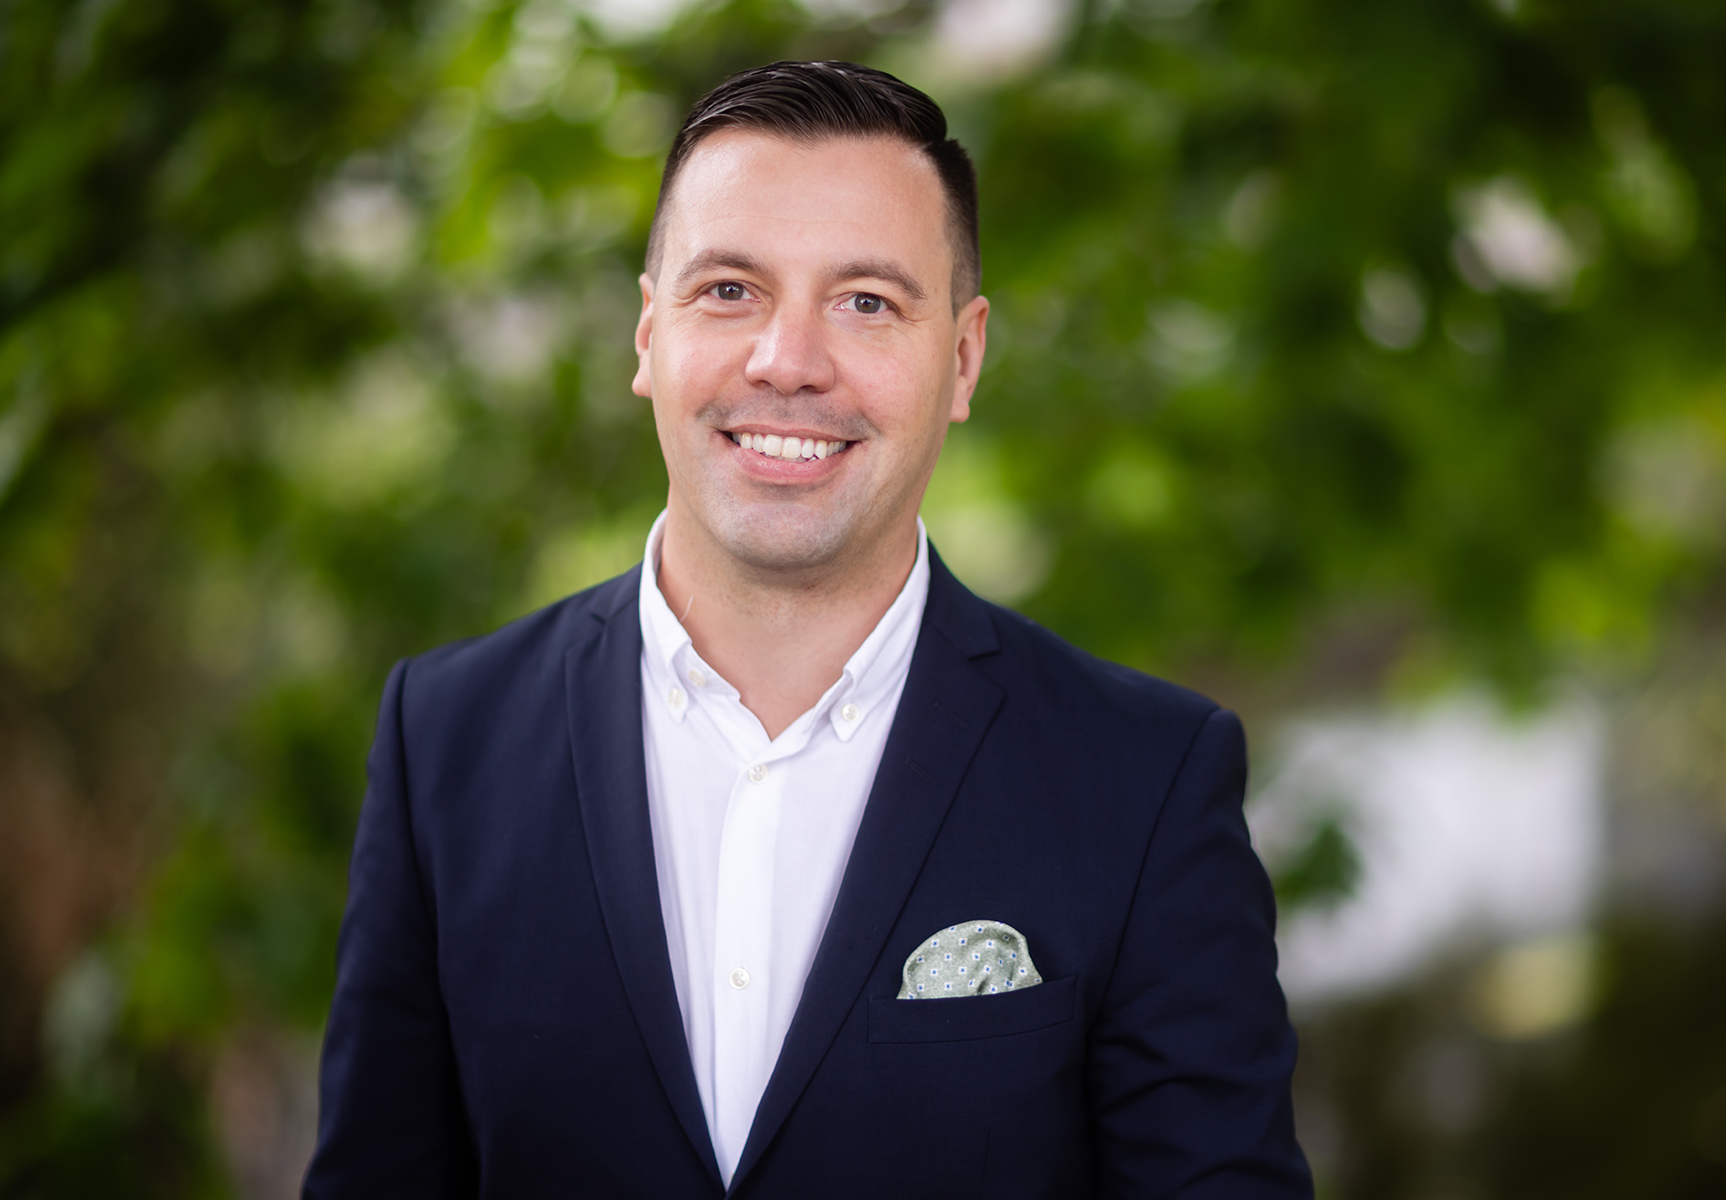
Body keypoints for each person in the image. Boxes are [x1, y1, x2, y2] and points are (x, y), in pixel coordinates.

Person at [305, 60, 1310, 1198]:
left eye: (865, 302)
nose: (787, 361)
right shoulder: (444, 742)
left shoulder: (1142, 781)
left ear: (965, 357)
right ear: (647, 333)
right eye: (729, 290)